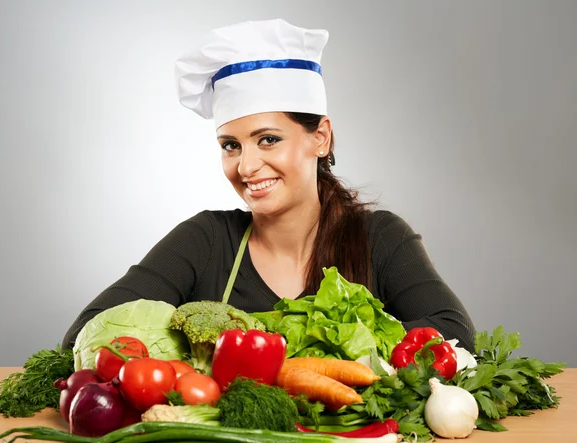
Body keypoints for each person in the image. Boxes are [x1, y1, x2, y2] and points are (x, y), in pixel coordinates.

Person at [61, 19, 476, 352]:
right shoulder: (205, 241)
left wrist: (277, 343)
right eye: (230, 145)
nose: (246, 165)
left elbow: (453, 331)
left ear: (320, 137)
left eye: (268, 140)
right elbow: (84, 333)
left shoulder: (379, 238)